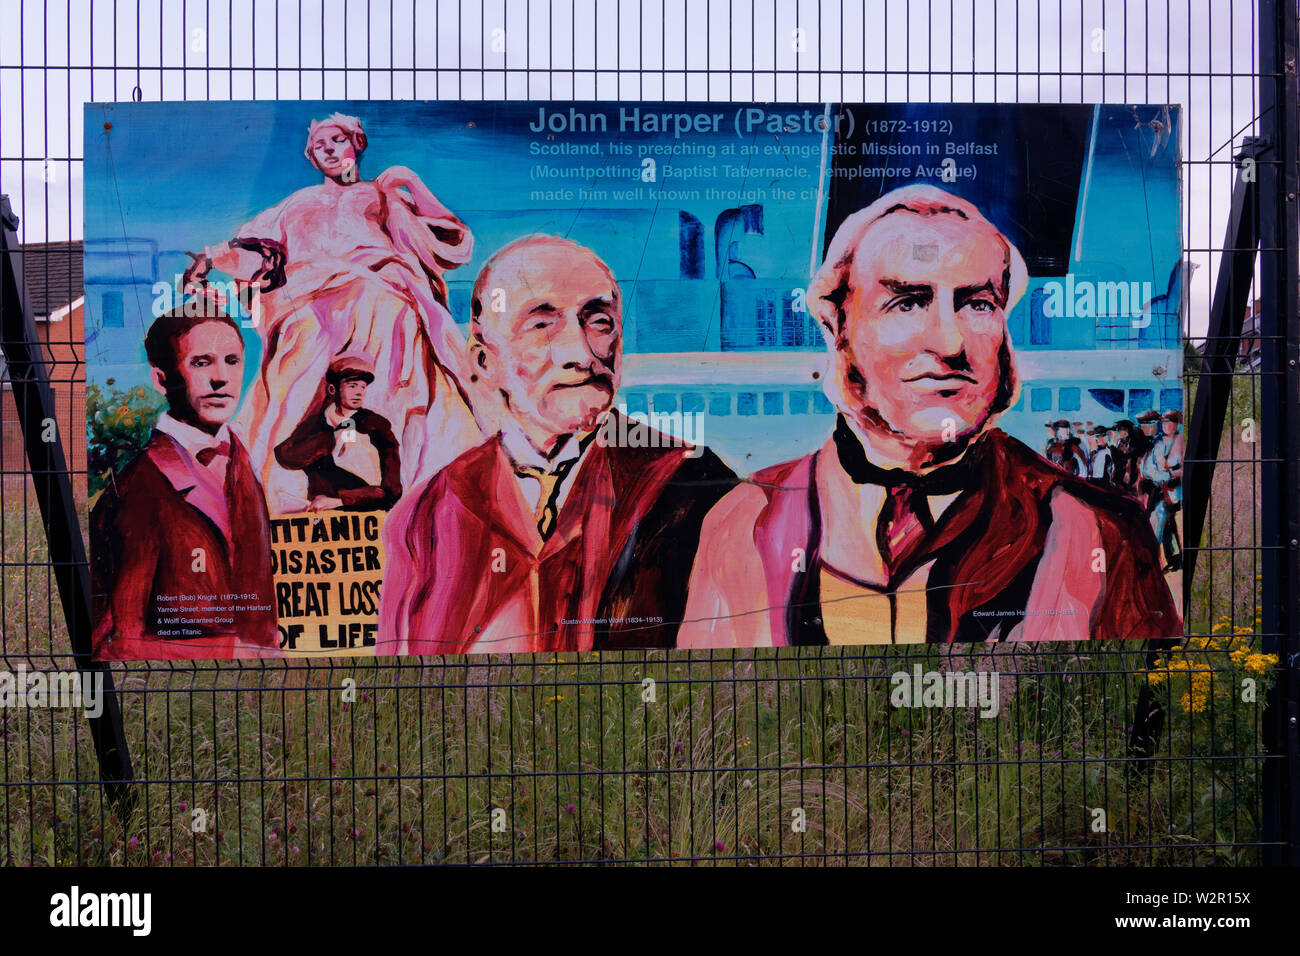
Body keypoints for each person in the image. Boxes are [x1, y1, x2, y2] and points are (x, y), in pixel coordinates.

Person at [678, 184, 1179, 646]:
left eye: (978, 304)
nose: (950, 342)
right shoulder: (742, 521)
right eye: (906, 302)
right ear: (837, 326)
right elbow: (708, 712)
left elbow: (1145, 716)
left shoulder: (1097, 527)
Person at [378, 236, 738, 654]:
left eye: (599, 321)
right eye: (542, 325)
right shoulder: (426, 517)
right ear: (484, 362)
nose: (582, 354)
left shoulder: (696, 484)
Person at [184, 112, 481, 513]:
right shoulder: (296, 204)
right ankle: (281, 490)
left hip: (381, 295)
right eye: (319, 145)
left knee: (395, 355)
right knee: (301, 359)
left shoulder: (376, 195)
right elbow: (260, 258)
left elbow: (448, 239)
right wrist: (215, 258)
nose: (328, 149)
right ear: (311, 157)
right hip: (313, 305)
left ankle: (402, 494)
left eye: (337, 139)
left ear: (356, 144)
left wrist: (406, 180)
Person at [90, 303, 279, 660]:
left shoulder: (243, 464)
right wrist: (233, 651)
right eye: (201, 362)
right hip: (172, 685)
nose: (221, 377)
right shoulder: (140, 488)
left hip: (259, 691)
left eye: (232, 361)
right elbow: (115, 642)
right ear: (162, 379)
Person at [274, 353, 402, 512]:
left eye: (363, 387)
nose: (359, 392)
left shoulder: (376, 425)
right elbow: (285, 456)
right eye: (352, 386)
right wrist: (328, 439)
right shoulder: (315, 424)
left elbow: (393, 490)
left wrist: (340, 501)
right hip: (319, 517)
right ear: (333, 389)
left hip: (366, 516)